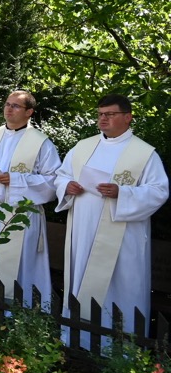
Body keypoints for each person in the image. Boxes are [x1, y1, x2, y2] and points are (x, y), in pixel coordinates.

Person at [55, 95, 168, 332]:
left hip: (122, 235)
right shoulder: (83, 147)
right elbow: (62, 175)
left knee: (120, 283)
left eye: (110, 114)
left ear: (128, 117)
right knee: (83, 275)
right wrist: (67, 186)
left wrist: (122, 193)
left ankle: (120, 344)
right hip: (84, 228)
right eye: (100, 114)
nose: (103, 119)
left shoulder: (144, 154)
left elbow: (159, 191)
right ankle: (79, 337)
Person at [0, 90, 61, 306]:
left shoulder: (41, 143)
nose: (9, 109)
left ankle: (16, 313)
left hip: (22, 217)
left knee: (19, 267)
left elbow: (53, 181)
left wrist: (15, 180)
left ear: (29, 112)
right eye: (7, 104)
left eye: (16, 106)